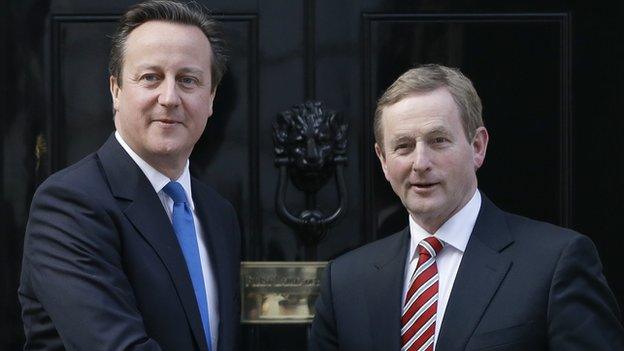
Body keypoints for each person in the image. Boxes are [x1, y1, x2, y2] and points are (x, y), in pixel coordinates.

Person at [309, 64, 624, 350]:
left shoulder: (557, 263)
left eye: (438, 140)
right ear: (383, 161)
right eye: (404, 146)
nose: (420, 163)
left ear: (477, 147)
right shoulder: (345, 281)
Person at [18, 1, 240, 350]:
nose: (169, 98)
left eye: (188, 80)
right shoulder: (69, 205)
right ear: (116, 90)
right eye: (151, 77)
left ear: (211, 97)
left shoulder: (218, 214)